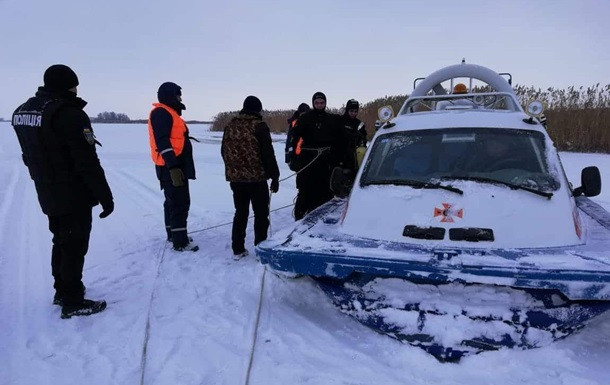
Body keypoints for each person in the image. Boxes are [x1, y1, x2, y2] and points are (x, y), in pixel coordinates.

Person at [11, 64, 113, 319]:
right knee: (74, 243)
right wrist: (105, 196)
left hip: (46, 187)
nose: (77, 89)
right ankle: (72, 299)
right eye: (74, 85)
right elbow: (87, 162)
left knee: (61, 238)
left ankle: (62, 289)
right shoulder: (69, 114)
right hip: (71, 191)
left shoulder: (23, 111)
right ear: (67, 85)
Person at [221, 96, 280, 258]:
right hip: (256, 179)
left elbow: (223, 152)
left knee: (240, 212)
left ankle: (237, 248)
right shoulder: (260, 126)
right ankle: (260, 248)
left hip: (236, 180)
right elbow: (268, 154)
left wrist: (233, 170)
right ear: (257, 110)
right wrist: (274, 176)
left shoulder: (230, 125)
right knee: (261, 214)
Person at [148, 82, 198, 252]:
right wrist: (173, 166)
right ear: (170, 95)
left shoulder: (169, 113)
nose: (180, 98)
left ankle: (174, 235)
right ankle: (180, 242)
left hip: (175, 165)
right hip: (172, 167)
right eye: (178, 95)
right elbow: (162, 141)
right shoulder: (161, 113)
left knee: (173, 202)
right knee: (179, 203)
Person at [290, 91, 342, 220]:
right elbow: (295, 138)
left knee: (325, 190)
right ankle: (300, 217)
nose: (319, 105)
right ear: (313, 103)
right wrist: (294, 159)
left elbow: (339, 139)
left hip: (325, 161)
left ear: (325, 103)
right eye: (317, 103)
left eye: (322, 103)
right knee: (305, 190)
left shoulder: (332, 119)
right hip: (308, 160)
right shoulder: (305, 118)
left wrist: (336, 158)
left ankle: (322, 218)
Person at [338, 99, 367, 177]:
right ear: (347, 110)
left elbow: (363, 139)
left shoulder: (359, 124)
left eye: (355, 111)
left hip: (354, 157)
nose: (353, 113)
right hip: (339, 156)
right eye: (351, 111)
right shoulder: (340, 121)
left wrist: (360, 139)